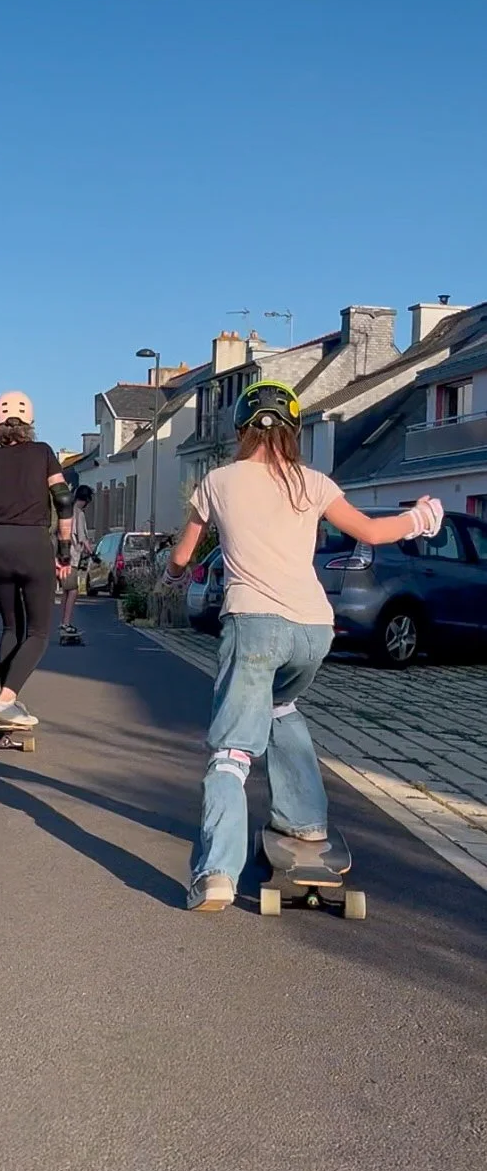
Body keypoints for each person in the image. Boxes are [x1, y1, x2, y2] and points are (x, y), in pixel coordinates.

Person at [163, 380, 444, 913]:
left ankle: (218, 872)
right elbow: (372, 532)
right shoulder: (312, 482)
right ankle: (304, 820)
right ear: (292, 430)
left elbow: (182, 555)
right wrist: (421, 518)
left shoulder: (218, 482)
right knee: (280, 707)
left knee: (232, 749)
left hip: (255, 626)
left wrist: (174, 573)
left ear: (242, 431)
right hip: (314, 629)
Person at [0, 391, 72, 729]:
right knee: (39, 632)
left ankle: (4, 707)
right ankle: (5, 700)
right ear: (30, 423)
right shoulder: (43, 454)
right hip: (34, 546)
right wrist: (65, 550)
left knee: (12, 627)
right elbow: (64, 502)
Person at [59, 483, 94, 638]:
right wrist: (93, 553)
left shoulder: (67, 511)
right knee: (73, 590)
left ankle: (64, 622)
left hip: (63, 556)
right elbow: (82, 538)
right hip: (71, 558)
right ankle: (65, 623)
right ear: (86, 500)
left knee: (67, 591)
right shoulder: (78, 513)